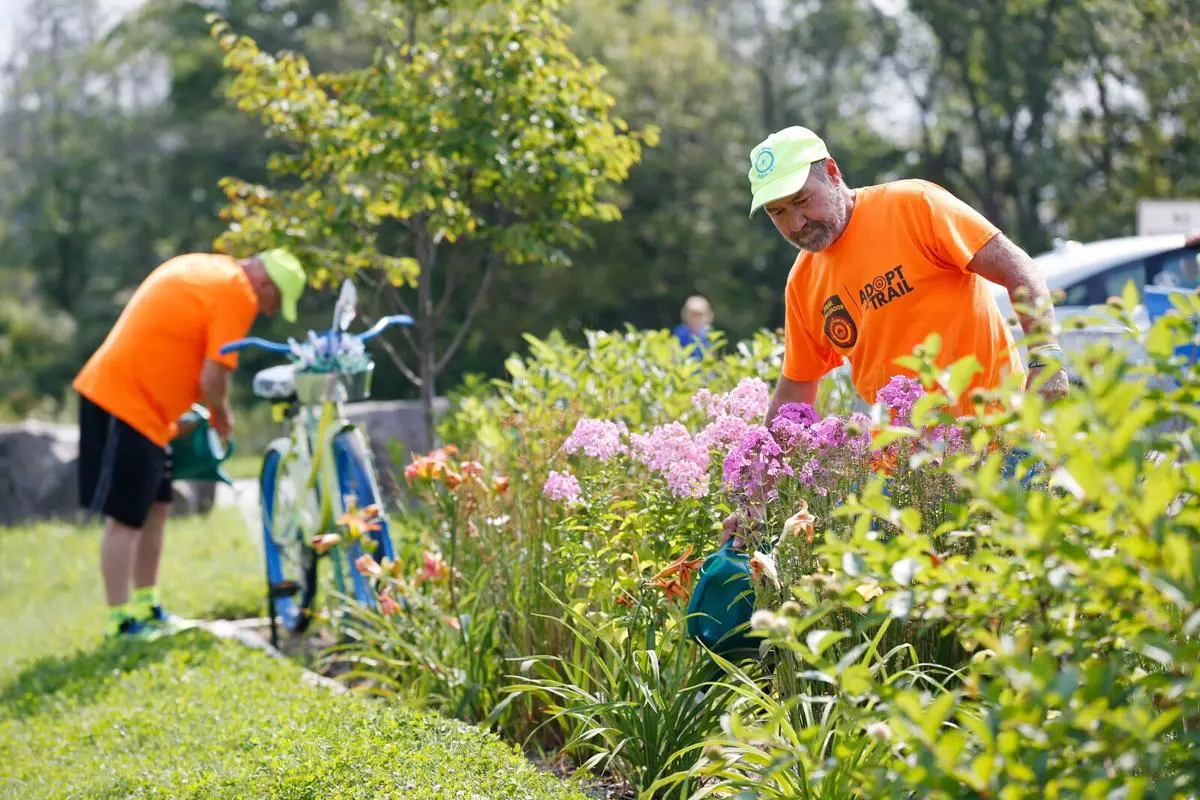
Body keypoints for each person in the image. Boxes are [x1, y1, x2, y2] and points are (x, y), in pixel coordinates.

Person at [722, 125, 1069, 545]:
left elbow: (1019, 269)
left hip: (999, 444)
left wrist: (1046, 356)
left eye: (801, 201)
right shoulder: (803, 282)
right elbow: (797, 387)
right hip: (905, 481)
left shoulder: (915, 205)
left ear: (832, 172)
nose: (796, 223)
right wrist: (755, 495)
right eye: (778, 213)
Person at [73, 249, 307, 638]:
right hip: (125, 402)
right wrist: (221, 416)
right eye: (275, 303)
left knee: (157, 507)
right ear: (265, 285)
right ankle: (121, 623)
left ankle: (147, 607)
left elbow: (173, 343)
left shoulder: (211, 268)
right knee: (126, 518)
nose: (267, 313)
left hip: (148, 411)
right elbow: (213, 378)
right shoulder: (238, 292)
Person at [673, 295, 714, 361]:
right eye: (693, 314)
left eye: (700, 314)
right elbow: (674, 355)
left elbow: (712, 356)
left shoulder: (709, 333)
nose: (696, 319)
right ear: (686, 315)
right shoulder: (680, 332)